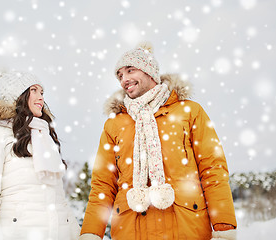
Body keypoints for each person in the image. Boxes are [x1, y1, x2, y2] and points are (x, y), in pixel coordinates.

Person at [79, 42, 237, 240]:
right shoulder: (114, 125)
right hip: (131, 230)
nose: (124, 79)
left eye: (130, 70)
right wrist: (91, 234)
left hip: (186, 229)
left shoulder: (189, 112)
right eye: (120, 75)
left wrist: (224, 227)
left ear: (149, 72)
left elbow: (213, 171)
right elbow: (103, 185)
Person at [0, 70, 80, 240]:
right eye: (34, 91)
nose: (41, 98)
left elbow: (60, 201)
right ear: (18, 96)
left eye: (42, 92)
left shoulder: (43, 136)